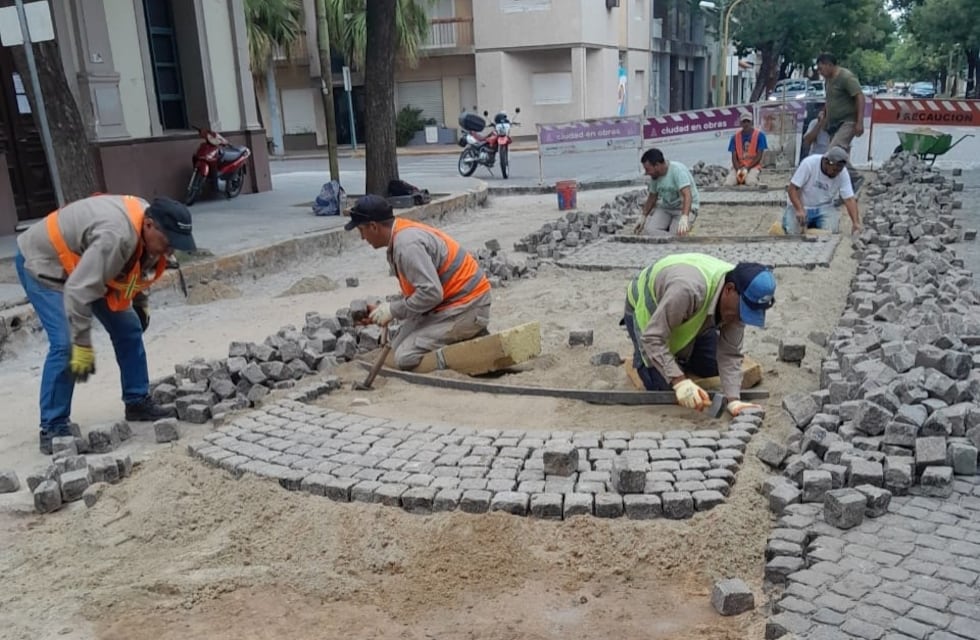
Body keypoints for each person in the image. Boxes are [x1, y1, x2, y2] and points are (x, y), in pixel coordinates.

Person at [16, 194, 197, 454]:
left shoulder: (147, 230)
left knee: (129, 327)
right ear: (149, 225)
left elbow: (134, 268)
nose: (170, 250)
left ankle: (136, 400)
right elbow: (78, 292)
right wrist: (82, 344)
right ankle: (53, 427)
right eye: (169, 242)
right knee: (66, 344)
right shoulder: (116, 237)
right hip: (44, 262)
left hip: (87, 263)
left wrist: (139, 303)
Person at [345, 195, 491, 370]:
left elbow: (432, 294)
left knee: (405, 358)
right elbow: (421, 290)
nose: (362, 237)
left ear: (374, 226)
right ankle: (465, 334)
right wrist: (385, 310)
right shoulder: (400, 235)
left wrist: (393, 310)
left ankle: (478, 349)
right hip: (450, 303)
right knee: (395, 347)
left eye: (361, 230)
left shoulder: (407, 246)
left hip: (469, 306)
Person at [622, 253, 775, 416]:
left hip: (691, 310)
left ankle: (679, 355)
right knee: (663, 387)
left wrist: (733, 400)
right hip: (650, 313)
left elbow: (729, 354)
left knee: (712, 367)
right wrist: (680, 382)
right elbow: (652, 338)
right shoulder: (687, 290)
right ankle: (646, 360)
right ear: (729, 289)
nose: (741, 317)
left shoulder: (742, 293)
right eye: (742, 310)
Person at [782, 146, 861, 235]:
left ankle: (812, 227)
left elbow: (849, 199)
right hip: (802, 206)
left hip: (824, 208)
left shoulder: (842, 172)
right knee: (792, 232)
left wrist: (856, 223)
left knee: (830, 233)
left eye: (839, 171)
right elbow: (792, 189)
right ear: (826, 162)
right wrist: (799, 209)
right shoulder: (809, 164)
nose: (837, 173)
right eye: (834, 170)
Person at [816, 52, 865, 192]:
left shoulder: (846, 77)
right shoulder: (828, 80)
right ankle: (845, 185)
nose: (820, 72)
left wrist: (859, 122)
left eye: (821, 68)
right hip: (834, 124)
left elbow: (859, 97)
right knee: (839, 154)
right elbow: (830, 100)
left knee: (833, 151)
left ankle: (855, 177)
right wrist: (825, 115)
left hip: (848, 121)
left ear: (829, 65)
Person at [634, 148, 700, 237]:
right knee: (650, 231)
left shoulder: (677, 171)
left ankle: (682, 229)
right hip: (666, 208)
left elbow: (687, 195)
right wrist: (643, 216)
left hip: (685, 208)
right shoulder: (655, 177)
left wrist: (684, 217)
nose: (646, 173)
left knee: (678, 235)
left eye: (648, 169)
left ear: (657, 165)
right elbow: (652, 197)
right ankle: (670, 231)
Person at [724, 110, 768, 186]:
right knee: (729, 183)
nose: (746, 124)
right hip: (739, 166)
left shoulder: (760, 136)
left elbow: (759, 156)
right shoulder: (734, 138)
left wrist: (747, 168)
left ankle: (755, 179)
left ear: (751, 122)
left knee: (750, 182)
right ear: (741, 123)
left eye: (748, 121)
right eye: (744, 122)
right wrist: (738, 171)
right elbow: (734, 157)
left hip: (753, 166)